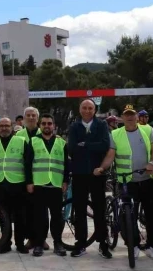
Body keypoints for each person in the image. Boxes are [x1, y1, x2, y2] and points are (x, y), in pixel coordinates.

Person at [95, 105, 153, 261]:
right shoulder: (116, 134)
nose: (130, 117)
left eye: (132, 115)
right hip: (126, 181)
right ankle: (134, 245)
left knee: (152, 214)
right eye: (126, 115)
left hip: (146, 179)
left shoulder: (148, 130)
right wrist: (102, 167)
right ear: (122, 118)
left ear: (137, 116)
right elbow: (111, 154)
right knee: (127, 214)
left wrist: (152, 162)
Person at [66, 99, 111, 258]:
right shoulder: (74, 127)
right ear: (80, 109)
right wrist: (92, 144)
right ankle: (81, 244)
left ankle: (103, 244)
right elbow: (71, 148)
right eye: (84, 108)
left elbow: (105, 145)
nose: (87, 110)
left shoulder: (102, 125)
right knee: (79, 210)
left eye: (90, 108)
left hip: (97, 174)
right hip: (79, 174)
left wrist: (85, 144)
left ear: (95, 110)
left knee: (100, 210)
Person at [0, 117, 31, 254]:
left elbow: (28, 163)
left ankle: (20, 244)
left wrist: (29, 182)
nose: (3, 128)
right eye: (1, 126)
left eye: (6, 125)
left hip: (18, 184)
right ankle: (5, 243)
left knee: (20, 216)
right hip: (1, 184)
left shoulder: (21, 141)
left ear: (11, 127)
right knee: (3, 216)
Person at [27, 113, 68, 257]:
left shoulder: (61, 143)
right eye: (43, 123)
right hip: (39, 184)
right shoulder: (33, 141)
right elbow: (27, 164)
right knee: (40, 217)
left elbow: (66, 164)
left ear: (54, 126)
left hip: (56, 184)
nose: (46, 126)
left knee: (57, 216)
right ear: (40, 126)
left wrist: (65, 181)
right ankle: (39, 243)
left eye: (49, 123)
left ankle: (58, 243)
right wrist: (29, 182)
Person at [15, 107, 51, 252]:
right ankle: (31, 238)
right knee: (27, 211)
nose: (31, 118)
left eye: (33, 115)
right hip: (23, 178)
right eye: (28, 115)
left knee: (42, 211)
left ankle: (42, 239)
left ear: (37, 118)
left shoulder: (45, 134)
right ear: (23, 119)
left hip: (41, 178)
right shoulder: (18, 135)